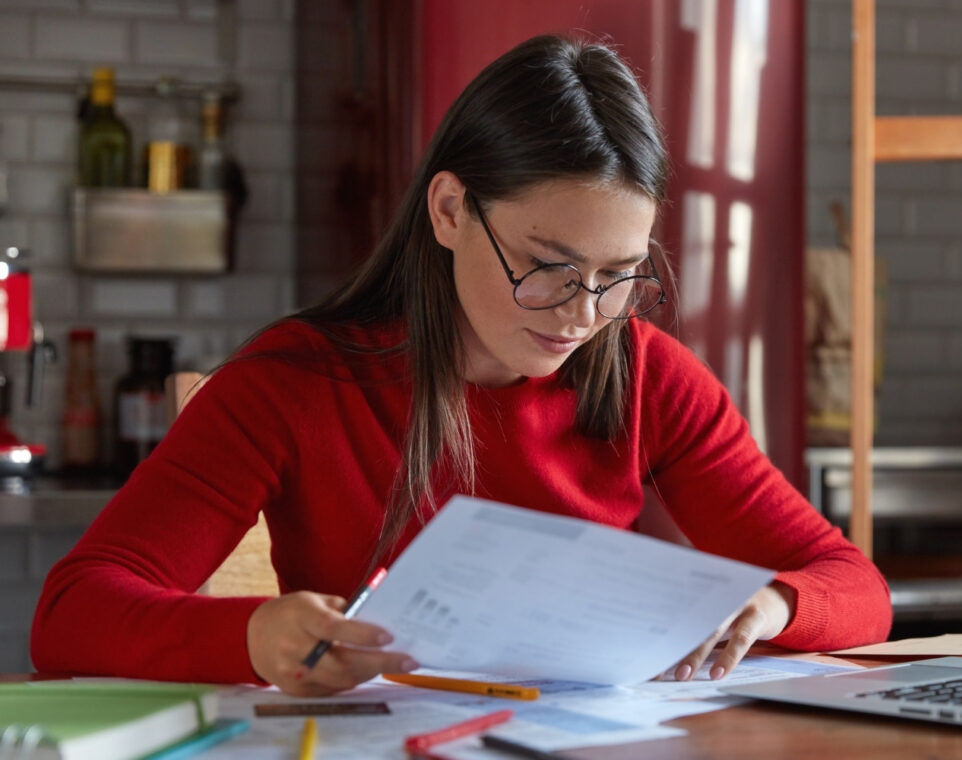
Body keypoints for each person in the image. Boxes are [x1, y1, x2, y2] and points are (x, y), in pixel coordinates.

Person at [31, 35, 891, 697]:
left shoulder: (646, 375)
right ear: (450, 210)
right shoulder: (292, 383)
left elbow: (856, 588)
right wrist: (254, 635)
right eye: (546, 265)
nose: (583, 313)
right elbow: (73, 614)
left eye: (618, 275)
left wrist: (771, 605)